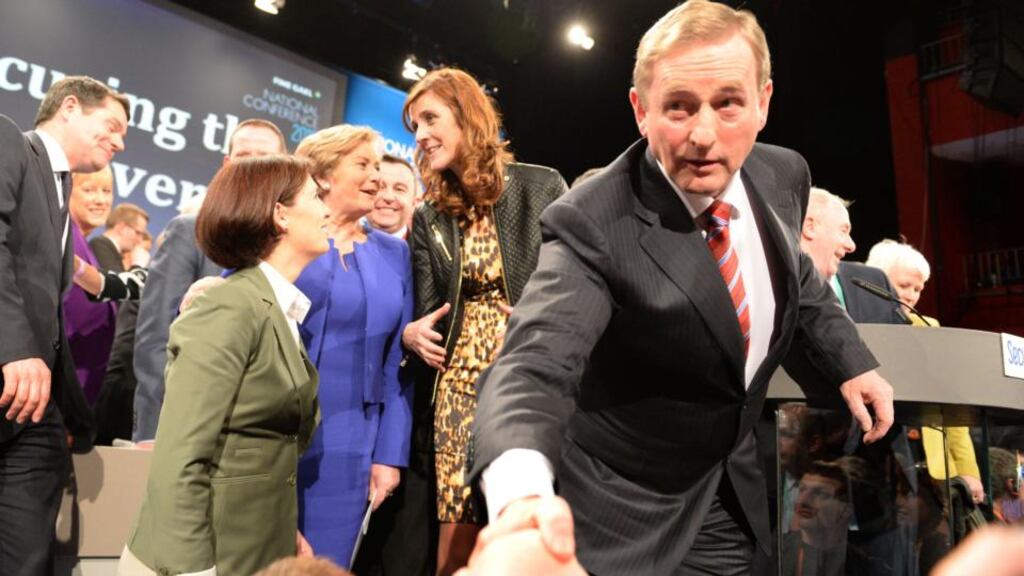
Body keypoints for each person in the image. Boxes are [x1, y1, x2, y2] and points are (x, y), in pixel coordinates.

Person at [466, 2, 895, 574]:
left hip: (732, 491)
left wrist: (850, 360)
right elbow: (532, 368)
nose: (704, 134)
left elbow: (794, 279)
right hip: (620, 512)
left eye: (728, 103)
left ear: (763, 102)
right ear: (640, 110)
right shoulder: (593, 222)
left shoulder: (782, 173)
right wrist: (521, 509)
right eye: (679, 107)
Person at [120, 155, 327, 575]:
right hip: (197, 559)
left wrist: (282, 530)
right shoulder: (230, 305)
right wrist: (193, 569)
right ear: (280, 214)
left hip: (253, 548)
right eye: (315, 196)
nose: (326, 209)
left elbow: (260, 455)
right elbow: (180, 457)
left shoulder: (275, 309)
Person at [399, 67, 568, 575]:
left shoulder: (540, 187)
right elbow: (425, 308)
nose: (422, 134)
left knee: (525, 520)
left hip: (526, 375)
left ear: (467, 116)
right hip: (456, 389)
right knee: (458, 533)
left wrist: (544, 314)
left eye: (430, 118)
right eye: (414, 126)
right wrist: (411, 334)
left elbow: (574, 278)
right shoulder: (430, 216)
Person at [0, 75, 128, 575]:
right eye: (112, 127)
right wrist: (13, 349)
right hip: (10, 374)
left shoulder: (62, 186)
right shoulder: (11, 141)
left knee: (27, 558)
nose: (118, 143)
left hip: (35, 413)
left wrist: (70, 412)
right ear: (70, 107)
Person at [292, 125, 414, 568]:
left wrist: (388, 454)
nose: (377, 178)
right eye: (363, 165)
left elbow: (396, 366)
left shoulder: (394, 254)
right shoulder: (282, 230)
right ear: (322, 175)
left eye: (379, 166)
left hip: (350, 452)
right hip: (271, 438)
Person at [132, 118, 288, 442]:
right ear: (227, 165)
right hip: (184, 426)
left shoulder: (289, 245)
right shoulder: (189, 232)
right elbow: (155, 341)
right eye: (245, 155)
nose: (255, 165)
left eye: (265, 156)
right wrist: (151, 434)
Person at [867, 239, 985, 504]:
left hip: (934, 472)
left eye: (918, 288)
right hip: (879, 465)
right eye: (904, 285)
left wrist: (967, 470)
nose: (912, 295)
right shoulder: (857, 327)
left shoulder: (929, 328)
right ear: (874, 279)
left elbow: (952, 407)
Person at [800, 187, 906, 324]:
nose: (851, 246)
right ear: (810, 227)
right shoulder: (772, 284)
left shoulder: (875, 283)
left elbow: (902, 340)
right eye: (843, 231)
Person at [63, 167, 121, 404]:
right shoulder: (66, 240)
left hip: (78, 399)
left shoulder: (84, 248)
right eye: (89, 190)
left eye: (107, 191)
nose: (101, 200)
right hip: (56, 400)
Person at [367, 154, 419, 240]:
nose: (388, 197)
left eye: (399, 189)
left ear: (414, 203)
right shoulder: (341, 247)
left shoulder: (430, 251)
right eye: (380, 187)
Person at [90, 202, 150, 271]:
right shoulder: (99, 245)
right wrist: (138, 264)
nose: (139, 240)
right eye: (138, 233)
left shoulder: (112, 252)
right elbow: (115, 282)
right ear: (122, 227)